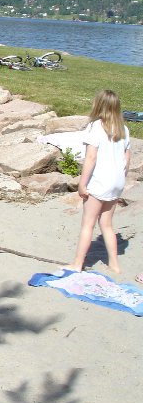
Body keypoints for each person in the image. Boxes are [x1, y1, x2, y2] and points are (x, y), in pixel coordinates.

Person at [67, 89, 131, 274]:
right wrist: (121, 179)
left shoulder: (96, 127)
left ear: (98, 105)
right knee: (107, 224)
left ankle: (77, 264)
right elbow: (127, 160)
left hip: (100, 182)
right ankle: (114, 264)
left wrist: (82, 183)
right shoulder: (123, 129)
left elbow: (91, 158)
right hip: (116, 182)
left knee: (88, 224)